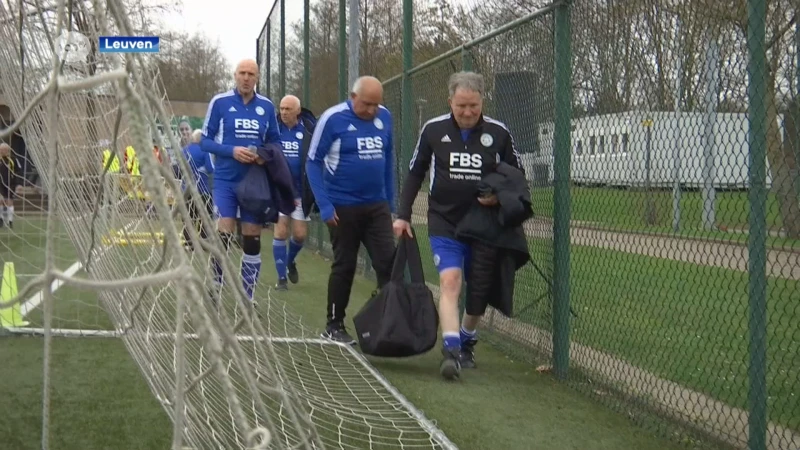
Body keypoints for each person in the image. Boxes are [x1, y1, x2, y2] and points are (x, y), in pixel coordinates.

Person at [393, 71, 524, 380]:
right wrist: (403, 214)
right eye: (461, 105)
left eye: (474, 106)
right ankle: (451, 351)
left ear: (482, 102)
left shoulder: (499, 133)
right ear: (450, 101)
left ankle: (466, 338)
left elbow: (515, 177)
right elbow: (415, 173)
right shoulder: (433, 130)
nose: (467, 113)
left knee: (478, 292)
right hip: (445, 221)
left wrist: (499, 197)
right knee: (451, 282)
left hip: (484, 226)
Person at [306, 76, 397, 345]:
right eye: (366, 104)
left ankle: (386, 326)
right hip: (341, 207)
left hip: (376, 205)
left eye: (376, 105)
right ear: (353, 96)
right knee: (344, 264)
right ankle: (334, 325)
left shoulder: (386, 118)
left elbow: (388, 159)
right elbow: (313, 163)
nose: (371, 110)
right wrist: (324, 204)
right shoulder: (332, 119)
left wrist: (391, 205)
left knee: (388, 264)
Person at [201, 58, 282, 306]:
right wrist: (231, 151)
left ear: (257, 77)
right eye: (242, 73)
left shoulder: (266, 107)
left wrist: (262, 155)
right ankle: (216, 284)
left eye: (251, 74)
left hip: (253, 183)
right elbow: (205, 141)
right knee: (223, 229)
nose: (246, 78)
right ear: (235, 75)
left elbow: (275, 144)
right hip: (225, 180)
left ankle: (248, 295)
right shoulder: (220, 102)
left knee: (251, 235)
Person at [272, 94, 317, 290]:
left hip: (301, 192)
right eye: (281, 108)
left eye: (288, 109)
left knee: (299, 235)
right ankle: (281, 279)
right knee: (281, 230)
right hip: (280, 190)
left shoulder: (309, 130)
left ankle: (290, 262)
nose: (283, 112)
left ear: (297, 111)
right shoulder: (274, 129)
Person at [181, 129, 215, 250]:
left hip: (186, 190)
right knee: (204, 217)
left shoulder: (184, 150)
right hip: (203, 189)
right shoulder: (205, 151)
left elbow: (179, 168)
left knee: (188, 218)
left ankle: (189, 244)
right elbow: (211, 169)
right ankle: (204, 244)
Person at [0, 142, 19, 229]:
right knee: (1, 201)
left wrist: (19, 184)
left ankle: (10, 221)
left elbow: (18, 172)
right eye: (2, 149)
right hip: (0, 184)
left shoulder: (13, 159)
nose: (3, 151)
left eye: (5, 149)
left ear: (8, 150)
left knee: (9, 201)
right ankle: (1, 219)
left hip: (11, 183)